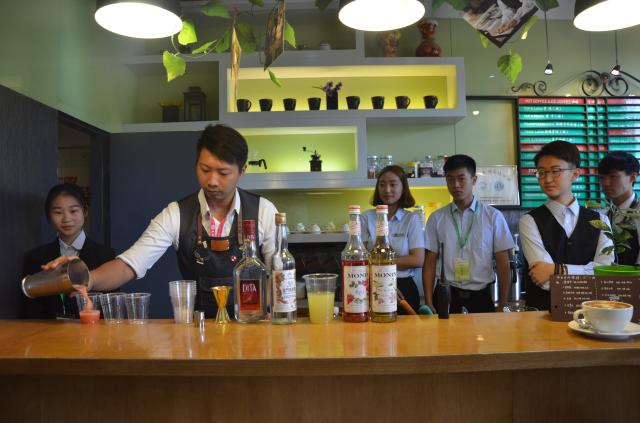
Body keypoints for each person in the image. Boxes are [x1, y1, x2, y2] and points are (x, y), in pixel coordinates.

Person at [44, 124, 278, 318]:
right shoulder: (177, 214)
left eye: (223, 173)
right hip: (199, 330)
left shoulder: (264, 212)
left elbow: (277, 275)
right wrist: (86, 278)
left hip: (253, 327)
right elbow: (129, 265)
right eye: (205, 169)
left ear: (243, 171)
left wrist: (267, 309)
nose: (212, 181)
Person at [519, 141, 613, 311]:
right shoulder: (529, 221)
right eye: (541, 172)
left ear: (575, 174)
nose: (547, 179)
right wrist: (589, 275)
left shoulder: (601, 220)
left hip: (592, 314)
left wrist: (557, 270)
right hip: (542, 314)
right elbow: (543, 280)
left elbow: (606, 272)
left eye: (555, 171)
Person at [423, 154, 514, 314]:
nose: (456, 185)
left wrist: (503, 303)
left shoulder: (493, 217)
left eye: (461, 178)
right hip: (445, 294)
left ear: (474, 180)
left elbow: (503, 263)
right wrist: (429, 302)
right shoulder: (436, 218)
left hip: (481, 296)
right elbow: (429, 262)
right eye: (450, 179)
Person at [22, 183, 115, 318]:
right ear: (49, 215)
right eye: (58, 212)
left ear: (85, 211)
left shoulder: (106, 255)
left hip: (92, 329)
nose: (66, 219)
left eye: (73, 211)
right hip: (47, 330)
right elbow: (30, 311)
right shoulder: (35, 257)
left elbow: (111, 309)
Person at [361, 165, 425, 314]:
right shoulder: (365, 218)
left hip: (404, 288)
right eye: (382, 185)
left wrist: (378, 261)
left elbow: (417, 260)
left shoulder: (411, 219)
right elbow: (360, 259)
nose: (387, 189)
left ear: (403, 187)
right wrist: (384, 282)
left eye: (393, 184)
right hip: (373, 284)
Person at [598, 152, 640, 265]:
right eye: (602, 177)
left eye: (613, 177)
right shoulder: (602, 214)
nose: (606, 183)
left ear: (632, 177)